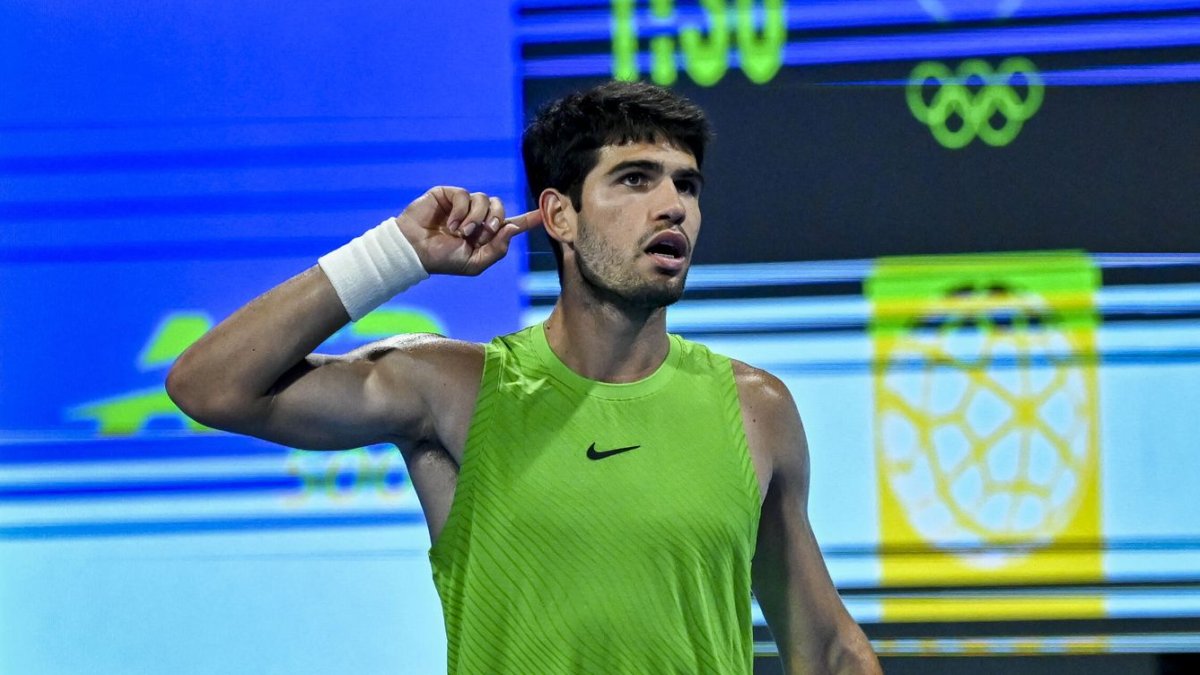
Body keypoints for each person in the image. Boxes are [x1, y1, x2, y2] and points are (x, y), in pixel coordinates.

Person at [167, 80, 880, 674]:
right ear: (559, 215)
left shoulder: (756, 408)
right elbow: (208, 386)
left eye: (686, 185)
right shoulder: (453, 388)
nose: (674, 207)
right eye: (635, 179)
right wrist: (395, 254)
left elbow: (824, 647)